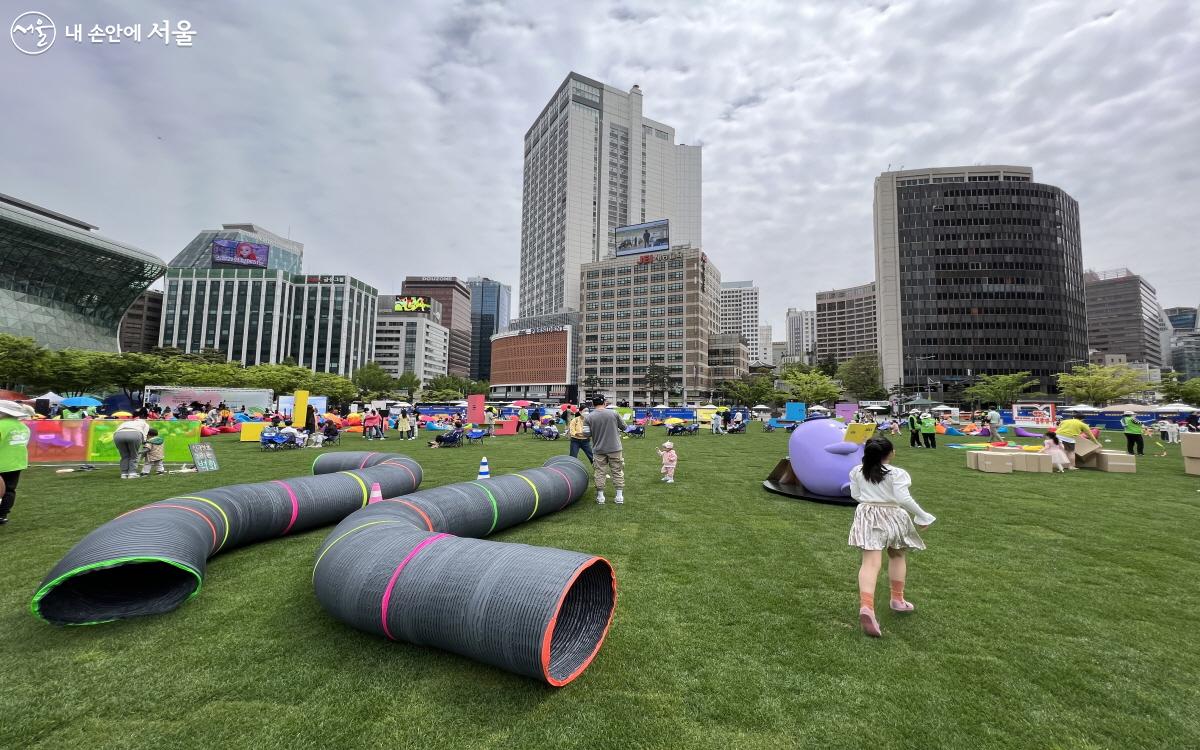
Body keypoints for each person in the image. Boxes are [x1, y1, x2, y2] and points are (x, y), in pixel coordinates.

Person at [848, 436, 936, 638]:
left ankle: (867, 606)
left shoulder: (856, 471)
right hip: (893, 515)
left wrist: (870, 501)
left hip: (867, 515)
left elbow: (855, 494)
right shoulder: (897, 474)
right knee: (897, 555)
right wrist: (923, 516)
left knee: (870, 563)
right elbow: (903, 498)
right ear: (890, 453)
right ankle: (897, 599)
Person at [585, 395, 627, 505]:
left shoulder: (588, 417)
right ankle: (619, 496)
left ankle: (601, 497)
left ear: (593, 404)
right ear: (604, 403)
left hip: (598, 449)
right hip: (615, 448)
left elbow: (586, 434)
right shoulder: (614, 413)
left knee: (599, 472)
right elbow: (624, 427)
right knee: (617, 471)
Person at [0, 400, 33, 525]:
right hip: (17, 463)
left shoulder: (1, 425)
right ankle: (3, 514)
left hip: (2, 462)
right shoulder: (23, 427)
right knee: (9, 490)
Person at [114, 409, 151, 479]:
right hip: (135, 434)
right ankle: (132, 473)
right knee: (134, 455)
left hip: (117, 435)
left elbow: (118, 429)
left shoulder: (127, 422)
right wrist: (145, 443)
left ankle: (124, 474)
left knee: (124, 456)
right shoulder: (145, 424)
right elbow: (145, 437)